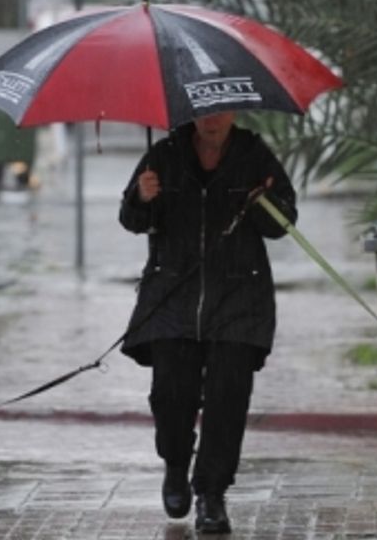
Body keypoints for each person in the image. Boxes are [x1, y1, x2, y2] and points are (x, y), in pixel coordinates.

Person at [118, 110, 297, 534]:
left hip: (239, 296)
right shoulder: (162, 155)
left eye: (219, 112)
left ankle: (211, 494)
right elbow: (132, 221)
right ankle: (176, 464)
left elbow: (284, 223)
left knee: (227, 398)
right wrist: (142, 197)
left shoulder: (255, 156)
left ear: (234, 112)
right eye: (202, 113)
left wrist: (263, 204)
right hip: (172, 297)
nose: (211, 120)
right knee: (171, 394)